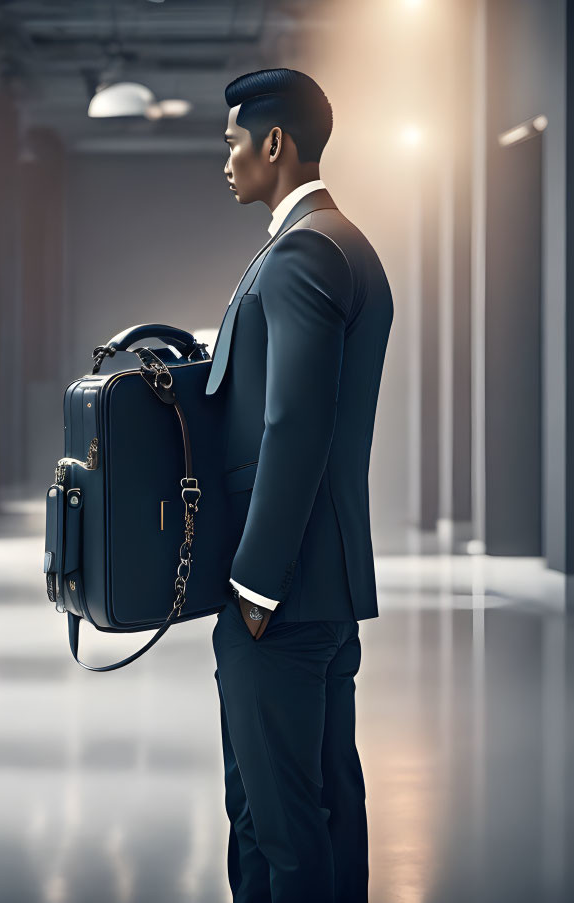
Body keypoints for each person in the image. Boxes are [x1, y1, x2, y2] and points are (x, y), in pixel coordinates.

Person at [206, 68, 393, 903]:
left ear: (273, 144)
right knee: (322, 807)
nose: (226, 161)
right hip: (324, 588)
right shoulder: (345, 241)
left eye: (233, 142)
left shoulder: (302, 252)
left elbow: (295, 426)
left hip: (277, 596)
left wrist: (253, 582)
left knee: (272, 821)